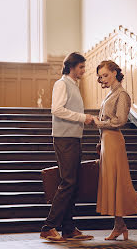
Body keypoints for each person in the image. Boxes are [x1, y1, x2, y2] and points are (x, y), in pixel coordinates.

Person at [93, 60, 137, 241]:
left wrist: (102, 124)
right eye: (100, 77)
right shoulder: (111, 93)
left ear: (115, 72)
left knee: (122, 183)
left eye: (106, 75)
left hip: (115, 142)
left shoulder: (122, 94)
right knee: (113, 184)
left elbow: (120, 120)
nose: (103, 79)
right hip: (107, 142)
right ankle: (119, 226)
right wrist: (100, 139)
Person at [40, 52, 94, 243]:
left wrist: (83, 118)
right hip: (64, 138)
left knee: (73, 183)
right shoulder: (61, 83)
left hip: (73, 138)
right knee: (68, 182)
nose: (84, 70)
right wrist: (83, 117)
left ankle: (69, 229)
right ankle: (48, 227)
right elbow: (57, 109)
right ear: (72, 66)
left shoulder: (73, 85)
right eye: (81, 67)